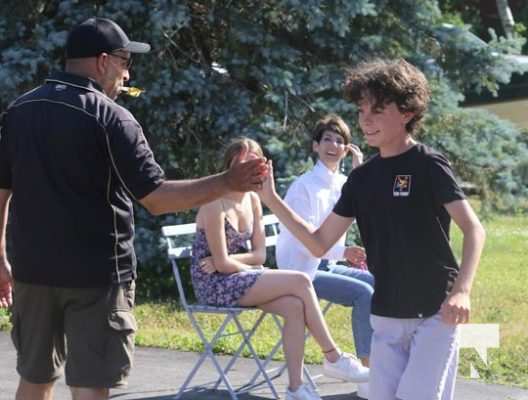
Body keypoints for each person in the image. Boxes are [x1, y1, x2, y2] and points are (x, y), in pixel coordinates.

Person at [0, 17, 268, 400]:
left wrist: (1, 259)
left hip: (31, 273)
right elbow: (156, 199)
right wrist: (226, 182)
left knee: (35, 377)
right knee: (91, 385)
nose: (128, 74)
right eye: (126, 62)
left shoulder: (19, 110)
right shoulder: (111, 117)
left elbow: (1, 190)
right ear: (103, 61)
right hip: (97, 278)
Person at [258, 59, 486, 400]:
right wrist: (272, 199)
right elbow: (319, 243)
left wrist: (462, 291)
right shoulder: (361, 179)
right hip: (386, 315)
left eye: (378, 110)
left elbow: (473, 229)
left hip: (435, 312)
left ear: (407, 112)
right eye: (363, 109)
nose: (366, 119)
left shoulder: (428, 164)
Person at [191, 137, 369, 400]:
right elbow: (223, 266)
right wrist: (231, 262)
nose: (251, 165)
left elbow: (259, 255)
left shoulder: (252, 200)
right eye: (244, 160)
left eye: (256, 160)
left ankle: (295, 388)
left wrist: (235, 262)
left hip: (242, 276)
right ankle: (333, 356)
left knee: (295, 306)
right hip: (214, 284)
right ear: (230, 164)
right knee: (300, 281)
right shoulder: (214, 202)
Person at [275, 114, 374, 399]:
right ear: (315, 146)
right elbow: (306, 244)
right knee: (364, 293)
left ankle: (383, 366)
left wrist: (359, 174)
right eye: (327, 139)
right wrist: (344, 251)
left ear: (347, 149)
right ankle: (368, 376)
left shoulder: (344, 182)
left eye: (340, 140)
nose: (333, 145)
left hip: (329, 263)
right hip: (301, 271)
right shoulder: (303, 187)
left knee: (378, 282)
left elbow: (367, 217)